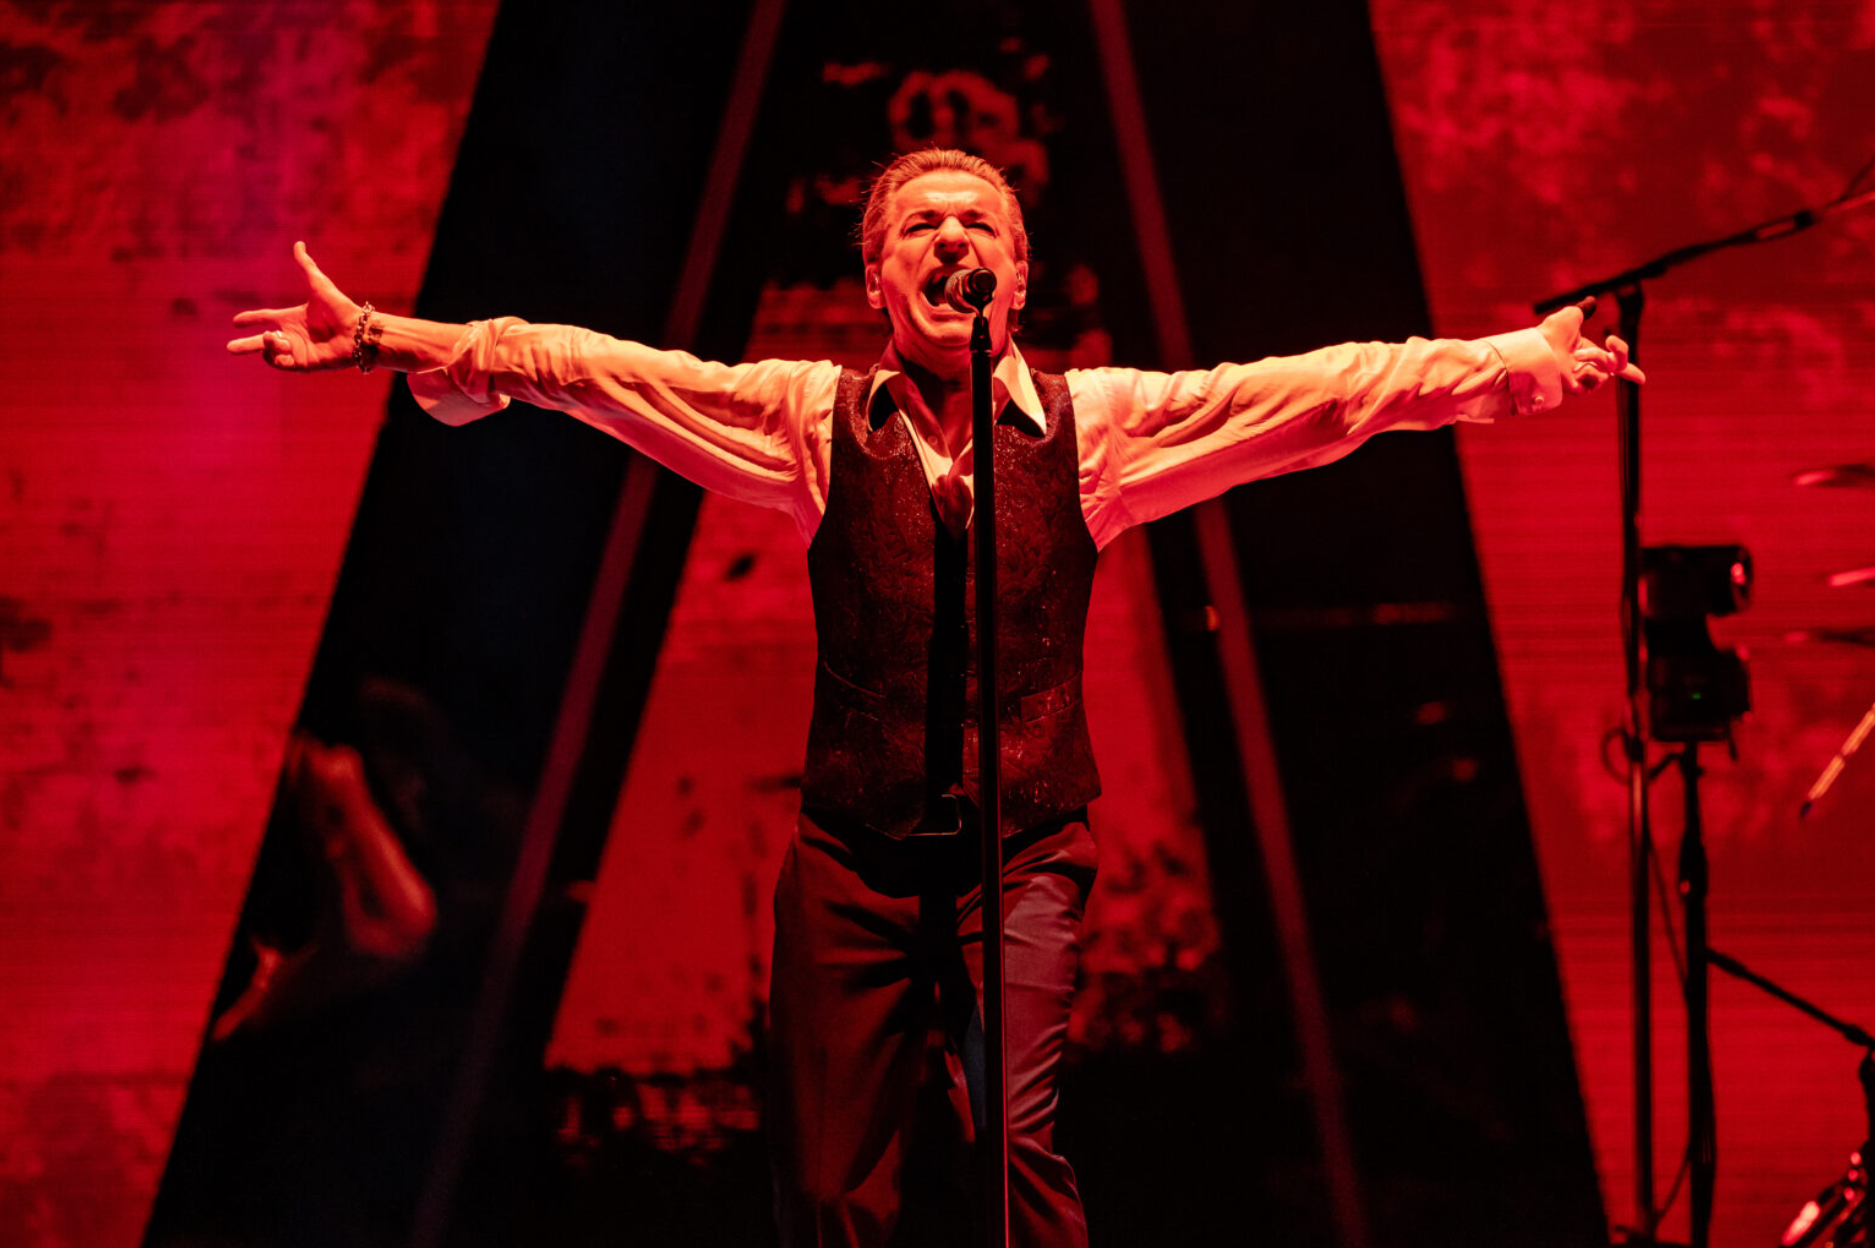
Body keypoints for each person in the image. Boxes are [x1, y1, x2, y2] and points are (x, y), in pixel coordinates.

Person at [229, 147, 1641, 1248]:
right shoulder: (810, 420)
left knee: (1015, 1151)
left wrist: (1517, 366)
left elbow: (1324, 393)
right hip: (851, 862)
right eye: (919, 227)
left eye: (977, 227)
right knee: (829, 1191)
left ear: (1015, 279)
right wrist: (395, 342)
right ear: (875, 279)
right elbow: (597, 370)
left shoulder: (1097, 428)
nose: (950, 241)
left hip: (1020, 853)